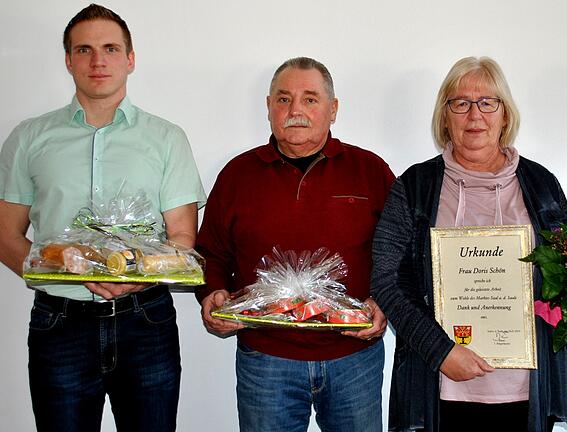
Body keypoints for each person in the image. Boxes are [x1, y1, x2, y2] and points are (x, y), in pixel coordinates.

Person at [0, 4, 206, 432]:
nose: (98, 61)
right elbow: (5, 233)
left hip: (146, 321)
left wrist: (139, 276)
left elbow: (183, 237)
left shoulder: (167, 139)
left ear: (130, 59)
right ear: (68, 60)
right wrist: (58, 268)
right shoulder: (29, 138)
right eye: (84, 49)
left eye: (111, 48)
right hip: (59, 325)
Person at [370, 56, 567, 432]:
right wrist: (440, 351)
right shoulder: (414, 187)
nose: (474, 115)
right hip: (440, 387)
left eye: (487, 103)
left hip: (526, 390)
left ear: (505, 115)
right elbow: (386, 279)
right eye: (460, 103)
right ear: (445, 116)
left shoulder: (542, 184)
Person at [195, 56, 395, 432]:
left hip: (353, 356)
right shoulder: (238, 174)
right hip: (266, 358)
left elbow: (399, 254)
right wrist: (213, 293)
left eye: (310, 99)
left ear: (333, 109)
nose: (296, 111)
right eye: (284, 100)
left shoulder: (370, 170)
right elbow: (212, 252)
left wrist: (384, 304)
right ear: (269, 107)